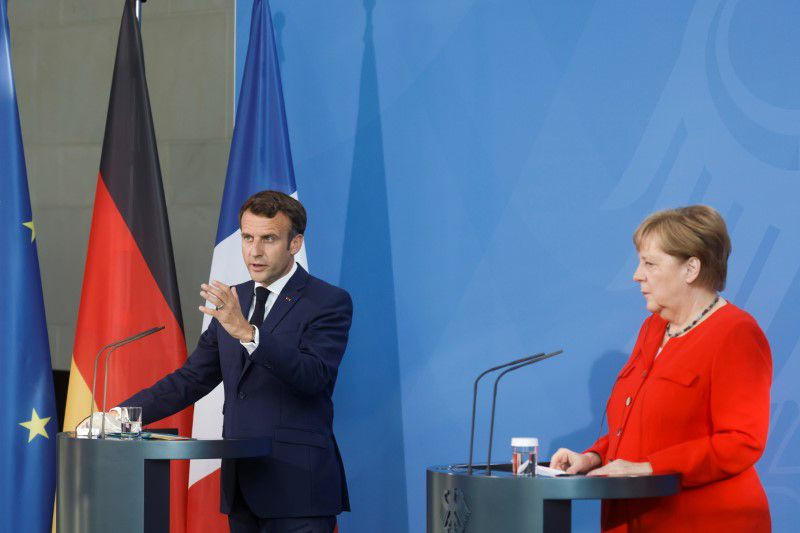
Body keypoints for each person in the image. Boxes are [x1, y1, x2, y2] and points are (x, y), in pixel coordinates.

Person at [114, 191, 351, 533]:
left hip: (299, 488)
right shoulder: (233, 300)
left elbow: (313, 376)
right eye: (247, 237)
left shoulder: (328, 301)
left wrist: (249, 333)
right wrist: (120, 416)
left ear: (294, 243)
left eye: (269, 239)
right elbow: (191, 379)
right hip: (243, 484)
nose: (254, 251)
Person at [550, 205, 772, 532]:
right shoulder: (653, 329)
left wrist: (650, 467)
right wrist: (593, 458)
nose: (637, 274)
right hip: (636, 518)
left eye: (650, 263)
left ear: (691, 268)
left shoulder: (736, 333)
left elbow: (741, 441)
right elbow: (637, 427)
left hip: (704, 522)